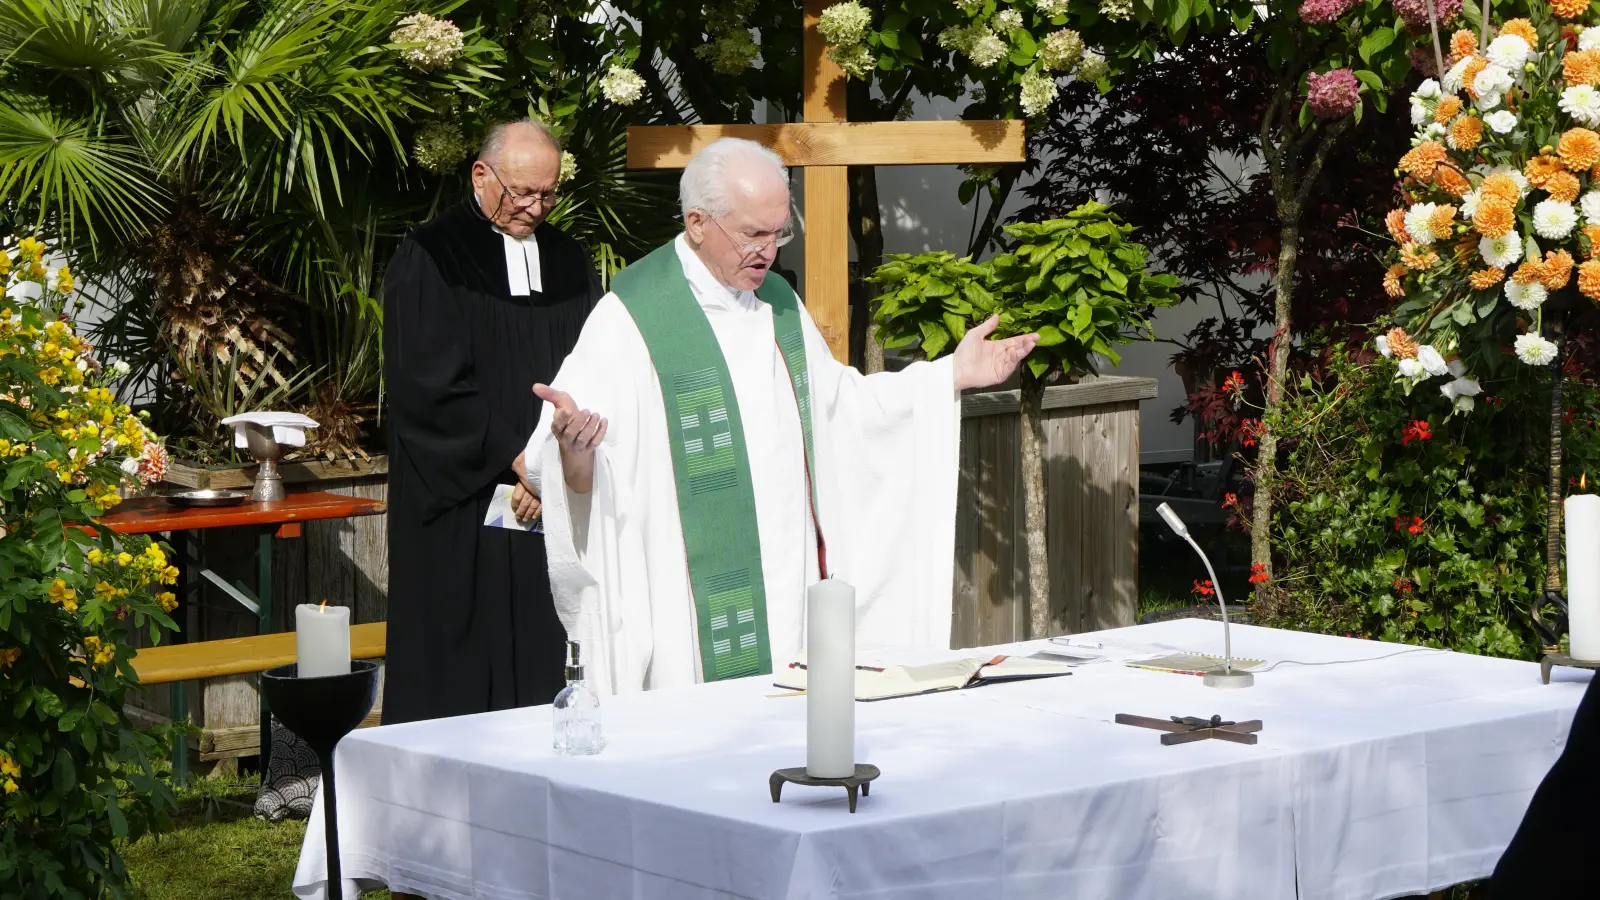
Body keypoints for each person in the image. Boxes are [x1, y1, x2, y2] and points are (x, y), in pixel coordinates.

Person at [522, 137, 1036, 696]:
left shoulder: (780, 305)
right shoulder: (634, 316)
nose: (769, 251)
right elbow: (563, 459)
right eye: (753, 234)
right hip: (689, 594)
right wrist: (573, 447)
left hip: (787, 577)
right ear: (697, 223)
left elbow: (843, 406)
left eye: (778, 233)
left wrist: (949, 377)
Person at [381, 119, 603, 724]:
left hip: (550, 489)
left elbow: (592, 366)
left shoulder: (568, 259)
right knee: (462, 650)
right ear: (481, 175)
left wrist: (547, 471)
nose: (534, 207)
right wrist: (519, 465)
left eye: (548, 195)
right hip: (463, 499)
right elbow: (427, 384)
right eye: (521, 192)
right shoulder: (430, 256)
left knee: (544, 643)